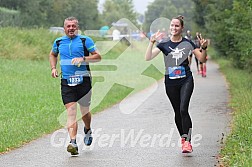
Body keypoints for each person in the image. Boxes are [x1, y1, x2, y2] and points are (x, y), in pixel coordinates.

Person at [145, 15, 208, 153]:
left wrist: (204, 48)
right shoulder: (163, 44)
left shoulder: (188, 43)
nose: (174, 28)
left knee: (183, 109)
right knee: (177, 112)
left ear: (182, 28)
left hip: (186, 80)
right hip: (170, 82)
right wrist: (151, 42)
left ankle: (188, 142)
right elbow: (148, 57)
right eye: (172, 25)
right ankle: (183, 138)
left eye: (177, 26)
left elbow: (202, 59)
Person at [49, 17, 101, 155]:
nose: (71, 28)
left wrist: (83, 58)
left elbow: (98, 57)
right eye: (68, 26)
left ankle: (88, 129)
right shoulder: (59, 42)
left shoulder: (85, 40)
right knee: (71, 112)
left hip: (83, 81)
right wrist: (53, 68)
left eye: (73, 26)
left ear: (77, 27)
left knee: (84, 112)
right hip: (66, 82)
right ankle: (73, 143)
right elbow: (53, 54)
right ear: (64, 28)